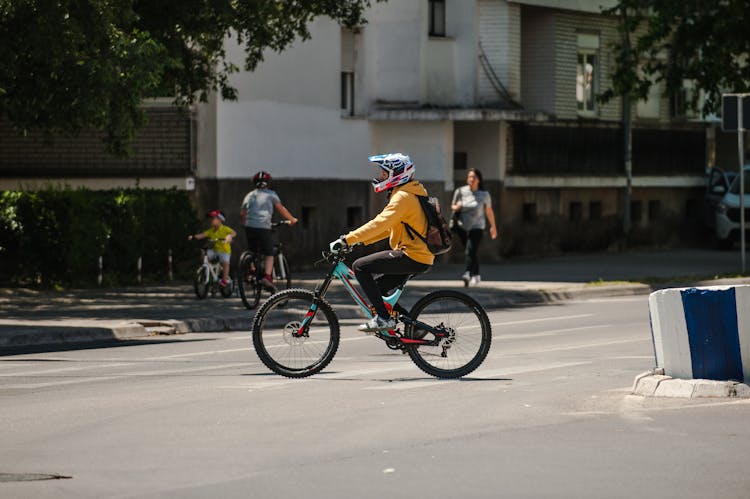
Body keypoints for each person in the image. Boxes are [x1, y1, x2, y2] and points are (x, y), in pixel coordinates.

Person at [329, 153, 434, 332]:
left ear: (398, 174)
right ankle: (415, 328)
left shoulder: (403, 197)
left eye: (385, 174)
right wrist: (358, 242)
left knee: (360, 266)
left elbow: (380, 224)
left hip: (412, 255)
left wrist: (347, 239)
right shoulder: (408, 193)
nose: (381, 177)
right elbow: (387, 229)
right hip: (419, 255)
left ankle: (384, 319)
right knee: (379, 290)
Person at [240, 171, 298, 290]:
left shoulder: (250, 195)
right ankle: (267, 277)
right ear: (268, 183)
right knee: (269, 252)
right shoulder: (271, 194)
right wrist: (292, 219)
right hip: (263, 227)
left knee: (252, 251)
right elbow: (281, 208)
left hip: (249, 227)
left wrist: (245, 223)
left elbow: (243, 212)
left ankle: (252, 271)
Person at [451, 168, 497, 286]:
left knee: (470, 251)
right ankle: (476, 275)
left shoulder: (484, 194)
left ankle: (467, 273)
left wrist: (493, 227)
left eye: (474, 177)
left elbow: (489, 211)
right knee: (472, 252)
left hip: (477, 227)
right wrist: (457, 207)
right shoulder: (460, 191)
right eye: (469, 176)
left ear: (479, 180)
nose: (471, 179)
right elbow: (453, 206)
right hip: (462, 226)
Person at [188, 210, 236, 286]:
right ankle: (207, 268)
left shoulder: (225, 229)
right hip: (215, 250)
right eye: (210, 218)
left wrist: (229, 236)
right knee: (205, 253)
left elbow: (233, 233)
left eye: (213, 218)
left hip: (224, 251)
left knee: (225, 263)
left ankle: (225, 279)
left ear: (220, 220)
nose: (210, 220)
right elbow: (203, 235)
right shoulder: (211, 230)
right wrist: (194, 237)